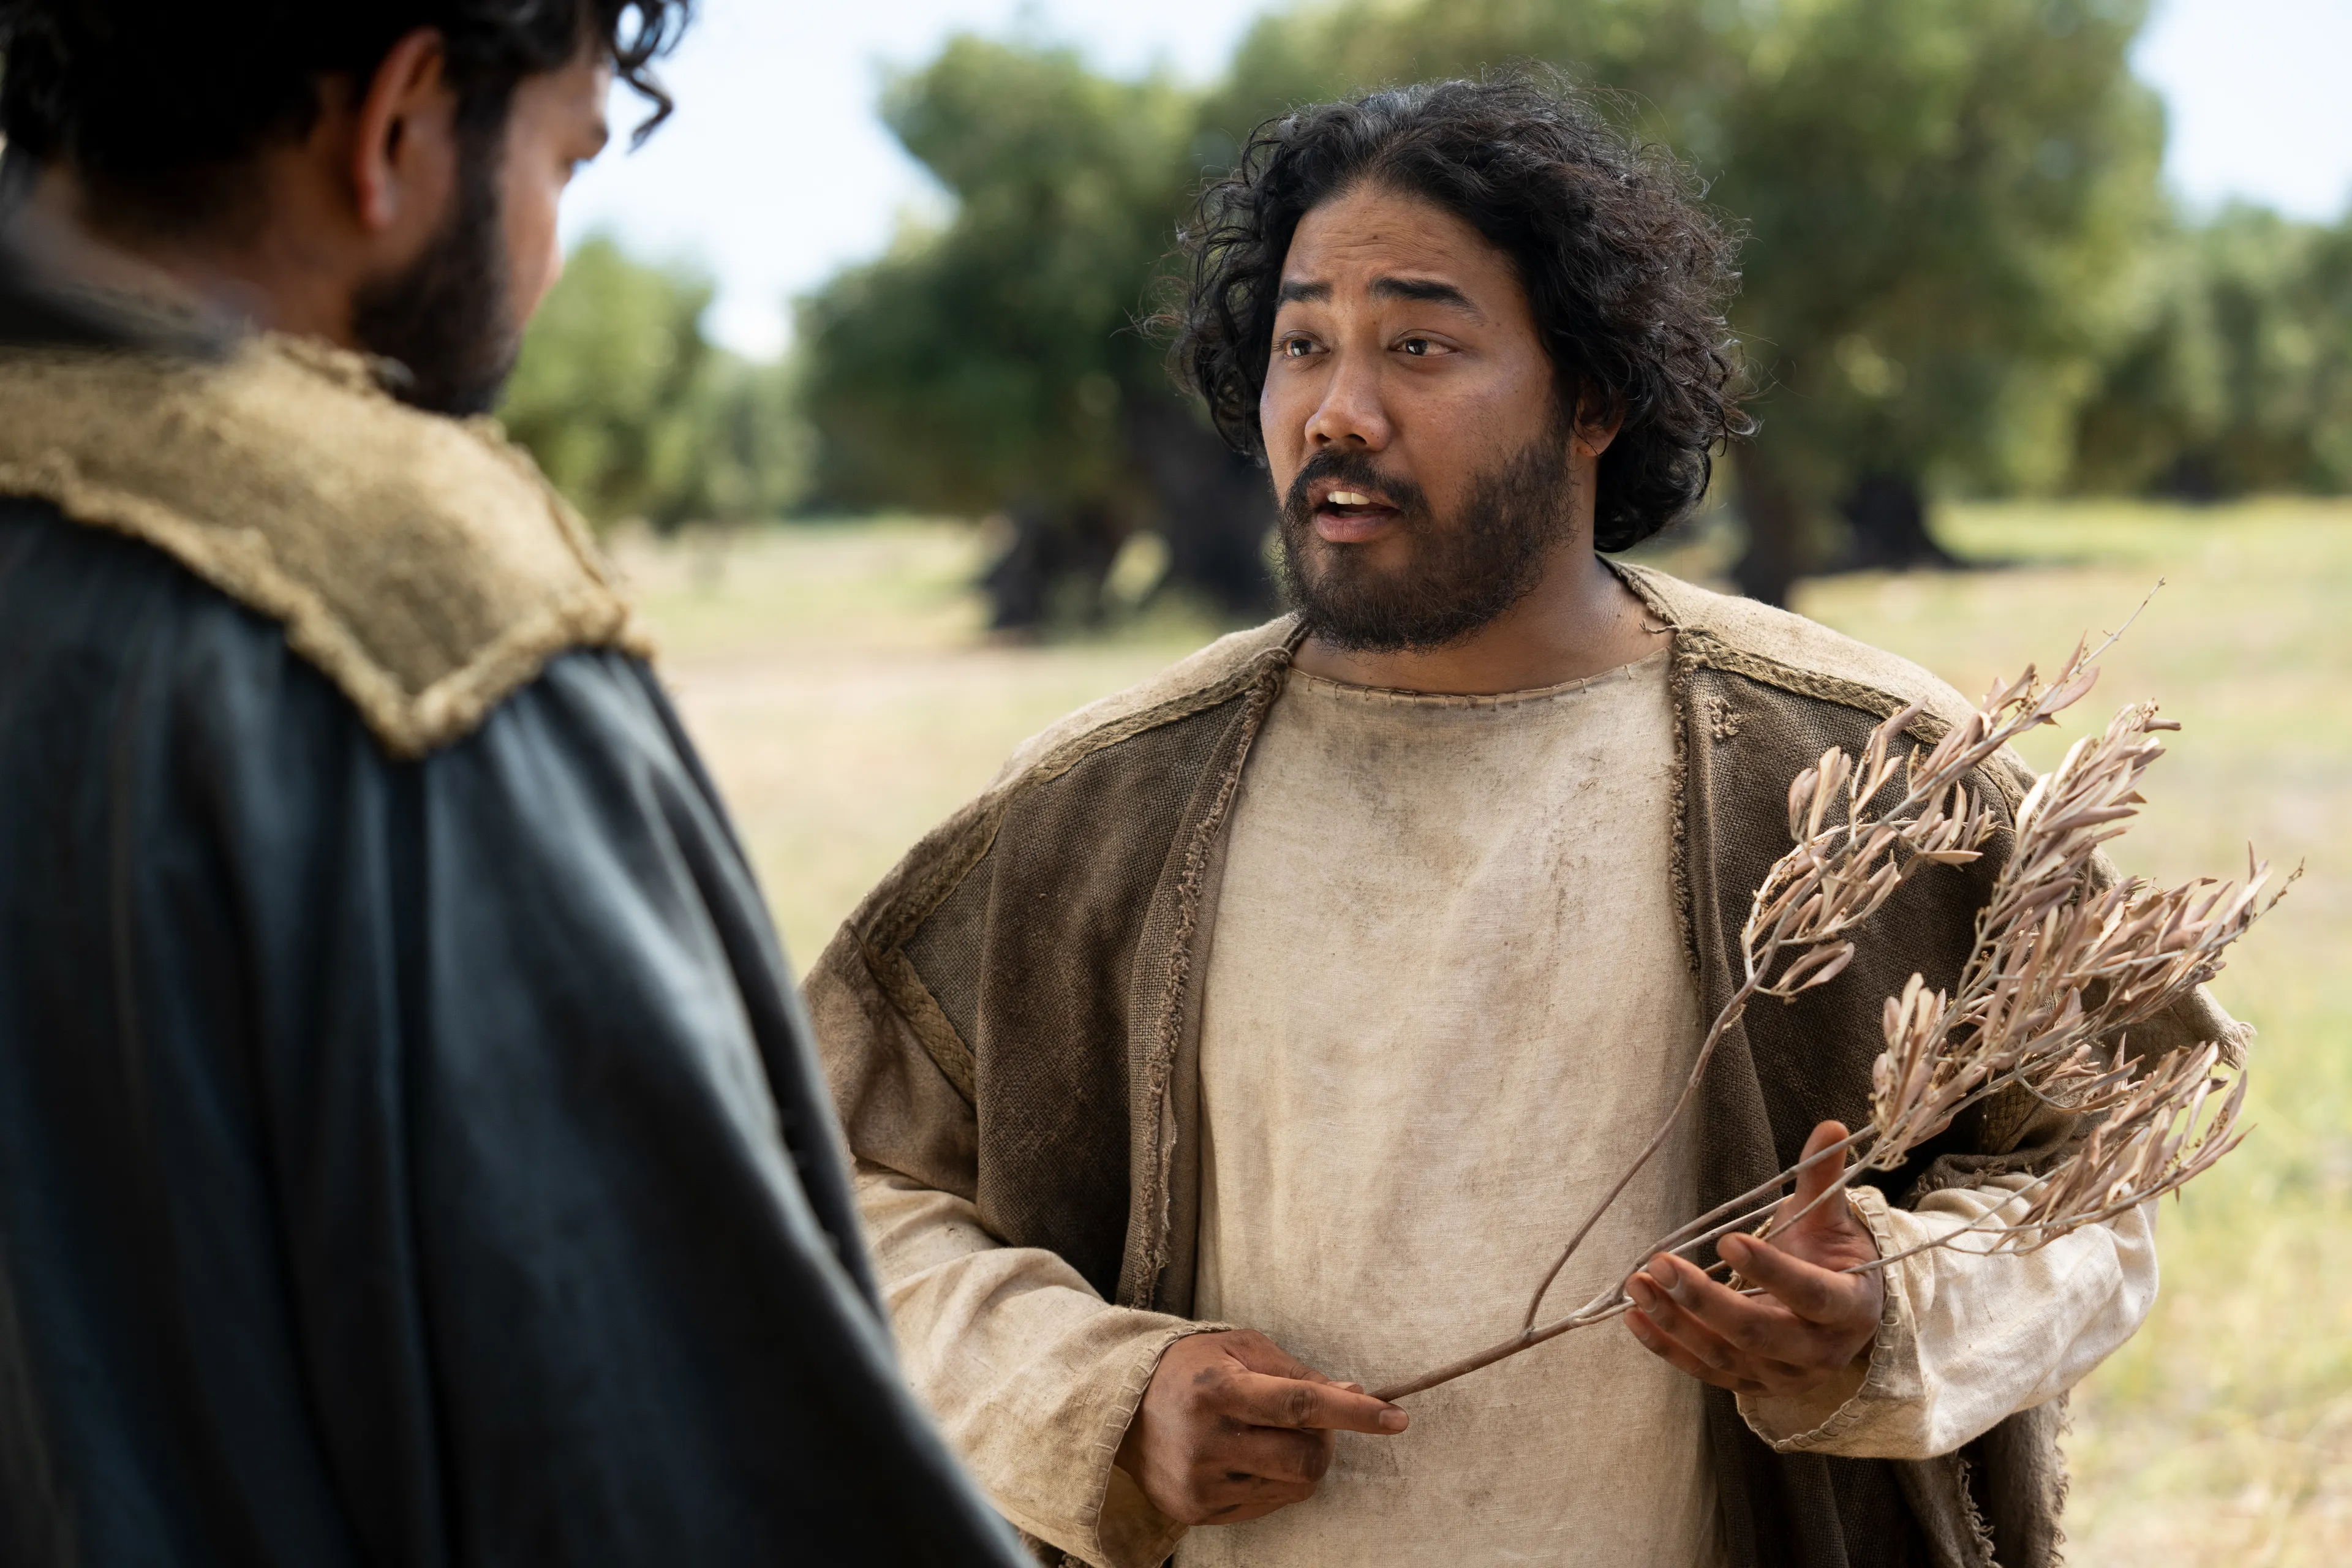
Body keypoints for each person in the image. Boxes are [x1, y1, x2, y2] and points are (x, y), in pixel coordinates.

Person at [807, 76, 2242, 1568]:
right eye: (1305, 344)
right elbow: (845, 1190)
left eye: (1418, 343)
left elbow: (2111, 1181)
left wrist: (1894, 1304)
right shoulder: (1094, 811)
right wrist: (1102, 1396)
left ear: (1592, 398)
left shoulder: (1870, 777)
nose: (1339, 411)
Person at [0, 4, 1026, 1564]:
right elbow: (675, 1465)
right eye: (564, 154)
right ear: (399, 120)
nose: (549, 250)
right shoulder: (399, 615)